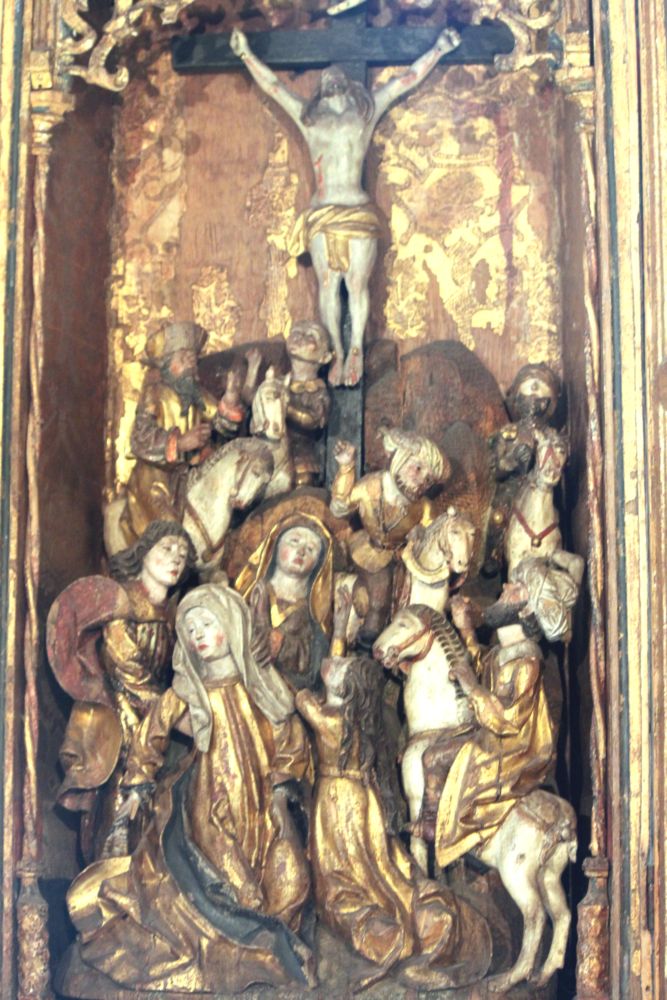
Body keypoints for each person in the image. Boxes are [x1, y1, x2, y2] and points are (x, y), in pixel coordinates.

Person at [66, 584, 315, 993]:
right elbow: (151, 734)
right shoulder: (186, 692)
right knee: (216, 851)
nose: (198, 635)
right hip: (209, 791)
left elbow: (291, 738)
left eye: (207, 624)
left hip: (260, 795)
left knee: (273, 859)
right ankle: (241, 933)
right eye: (191, 629)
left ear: (231, 625)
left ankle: (269, 934)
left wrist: (282, 786)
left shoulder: (263, 685)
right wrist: (138, 784)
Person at [230, 27, 461, 386]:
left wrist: (439, 49)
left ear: (349, 87)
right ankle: (336, 351)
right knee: (327, 283)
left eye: (336, 78)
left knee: (356, 284)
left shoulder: (365, 114)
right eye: (325, 79)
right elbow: (274, 87)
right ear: (319, 91)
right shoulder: (309, 119)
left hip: (357, 209)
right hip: (323, 213)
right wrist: (245, 54)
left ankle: (356, 349)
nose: (331, 79)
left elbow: (405, 80)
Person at [295, 641, 491, 990]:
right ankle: (415, 911)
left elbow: (301, 699)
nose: (333, 663)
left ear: (346, 689)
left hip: (338, 803)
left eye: (340, 668)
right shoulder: (360, 722)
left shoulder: (330, 719)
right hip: (365, 800)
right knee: (381, 868)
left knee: (338, 875)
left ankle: (389, 938)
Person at [47, 520, 194, 860]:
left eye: (183, 554)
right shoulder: (121, 602)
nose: (175, 559)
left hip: (159, 722)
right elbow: (129, 674)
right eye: (167, 549)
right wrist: (176, 716)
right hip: (123, 718)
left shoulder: (173, 615)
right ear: (143, 554)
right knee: (121, 803)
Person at [434, 580, 558, 869]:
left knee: (445, 757)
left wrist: (472, 687)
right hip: (493, 734)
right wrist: (466, 629)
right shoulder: (500, 654)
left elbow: (509, 718)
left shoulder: (527, 662)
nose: (505, 584)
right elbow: (480, 664)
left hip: (517, 748)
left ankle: (459, 833)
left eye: (516, 588)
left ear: (526, 610)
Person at [121, 321, 252, 544]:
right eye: (183, 358)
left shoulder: (198, 395)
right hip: (156, 477)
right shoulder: (155, 394)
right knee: (168, 528)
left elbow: (221, 424)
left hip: (190, 476)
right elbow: (140, 436)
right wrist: (180, 443)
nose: (191, 363)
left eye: (193, 358)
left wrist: (230, 397)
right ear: (167, 364)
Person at [331, 426, 449, 643]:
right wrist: (347, 467)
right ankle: (370, 639)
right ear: (400, 459)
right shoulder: (371, 486)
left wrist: (420, 534)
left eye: (428, 480)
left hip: (403, 557)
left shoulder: (423, 507)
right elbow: (340, 508)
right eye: (417, 468)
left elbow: (431, 535)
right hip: (370, 552)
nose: (421, 481)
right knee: (379, 601)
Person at [236, 512, 334, 690]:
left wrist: (283, 645)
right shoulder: (251, 593)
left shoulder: (311, 614)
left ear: (319, 564)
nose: (301, 551)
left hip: (284, 691)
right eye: (294, 541)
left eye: (310, 549)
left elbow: (313, 664)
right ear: (274, 546)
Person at [285, 319, 332, 486]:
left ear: (325, 357)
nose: (299, 338)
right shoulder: (279, 381)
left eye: (310, 336)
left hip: (300, 450)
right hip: (272, 449)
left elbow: (315, 420)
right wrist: (252, 371)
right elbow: (255, 400)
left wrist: (286, 408)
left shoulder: (317, 391)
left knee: (302, 481)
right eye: (295, 333)